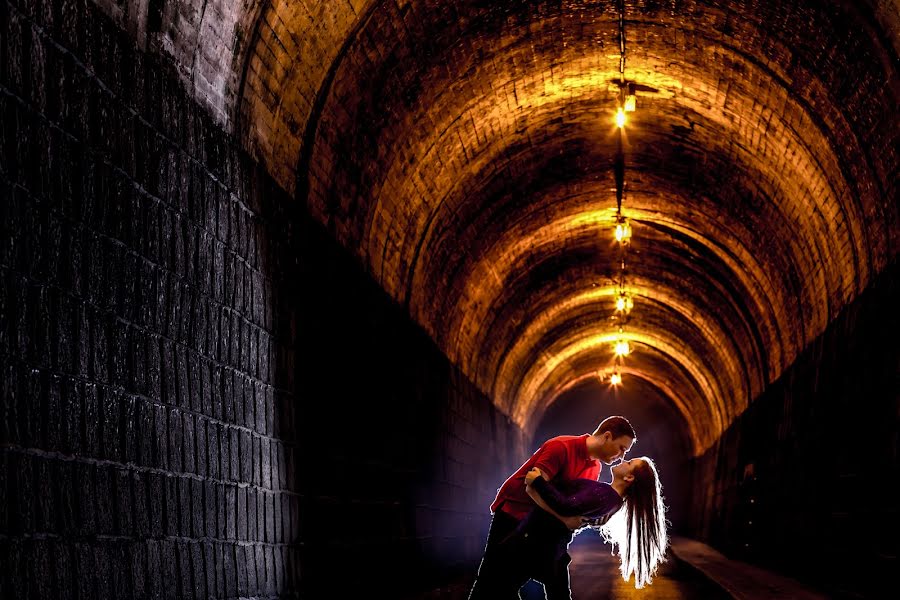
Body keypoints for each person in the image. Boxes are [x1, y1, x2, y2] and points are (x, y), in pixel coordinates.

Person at [468, 416, 636, 599]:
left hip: (539, 528)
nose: (622, 456)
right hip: (514, 513)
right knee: (489, 581)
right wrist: (565, 519)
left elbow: (573, 505)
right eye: (621, 448)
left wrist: (592, 519)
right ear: (607, 436)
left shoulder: (595, 467)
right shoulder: (561, 446)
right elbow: (532, 487)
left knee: (506, 584)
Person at [507, 456, 668, 596]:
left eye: (629, 462)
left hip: (537, 540)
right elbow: (572, 513)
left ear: (629, 478)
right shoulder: (613, 501)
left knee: (495, 587)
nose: (624, 460)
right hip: (548, 544)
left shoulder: (606, 496)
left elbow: (566, 506)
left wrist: (538, 482)